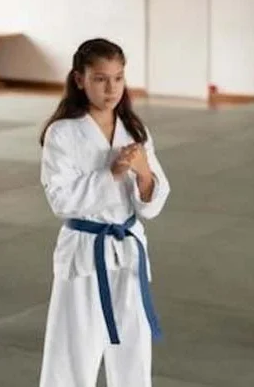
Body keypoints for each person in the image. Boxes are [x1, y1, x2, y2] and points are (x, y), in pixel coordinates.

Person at [38, 38, 170, 387]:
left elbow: (152, 204)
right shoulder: (62, 132)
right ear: (79, 79)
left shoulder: (135, 129)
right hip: (85, 249)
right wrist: (111, 173)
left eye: (118, 77)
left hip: (128, 248)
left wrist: (142, 171)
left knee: (133, 346)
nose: (111, 88)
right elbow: (60, 200)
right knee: (73, 347)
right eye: (100, 78)